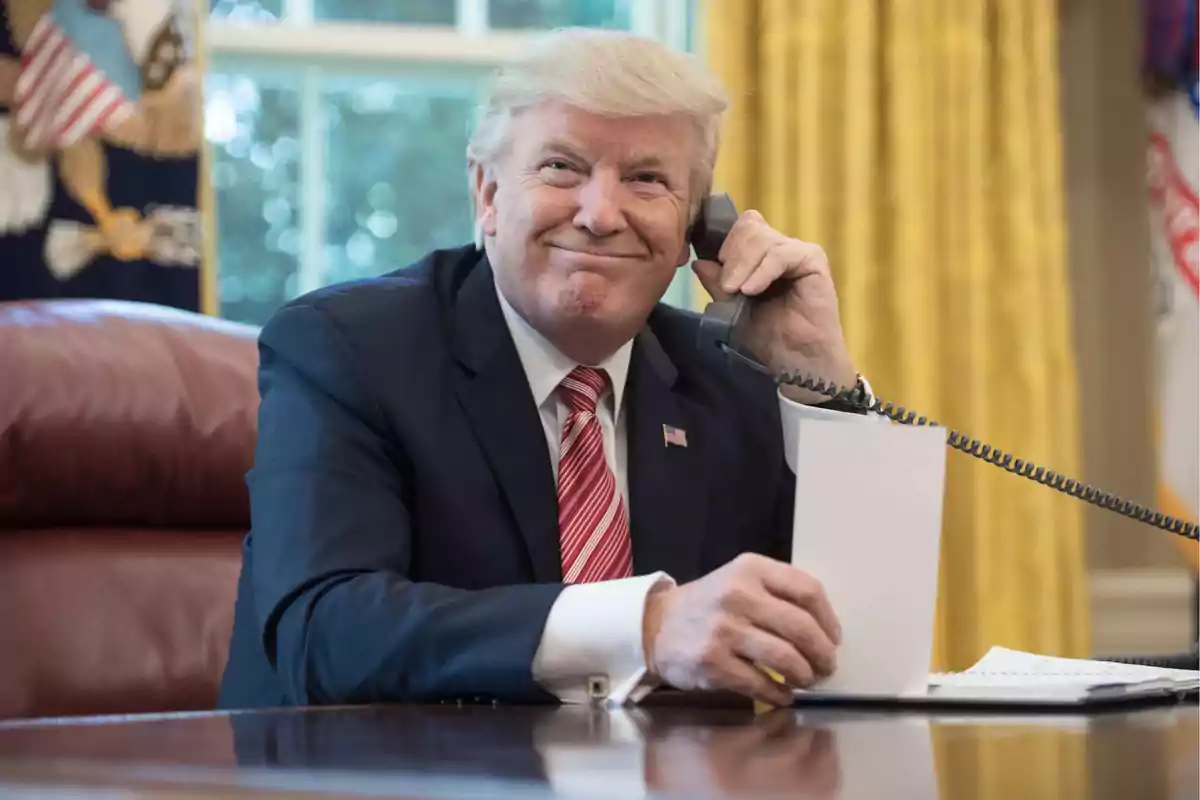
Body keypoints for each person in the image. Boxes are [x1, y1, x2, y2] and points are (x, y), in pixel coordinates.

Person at [217, 27, 881, 713]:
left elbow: (865, 637)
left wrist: (820, 391)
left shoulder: (729, 379)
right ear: (487, 194)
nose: (599, 215)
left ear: (698, 226)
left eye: (646, 179)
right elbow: (322, 633)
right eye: (562, 168)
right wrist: (641, 627)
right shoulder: (348, 349)